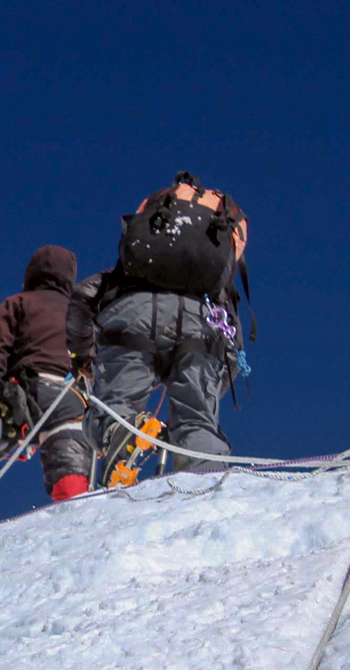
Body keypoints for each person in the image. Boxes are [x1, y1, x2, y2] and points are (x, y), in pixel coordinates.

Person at [85, 173, 249, 478]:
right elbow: (231, 338)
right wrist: (216, 380)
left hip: (132, 316)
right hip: (201, 325)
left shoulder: (132, 268)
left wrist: (82, 354)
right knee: (197, 421)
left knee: (114, 407)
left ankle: (122, 435)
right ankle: (204, 473)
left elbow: (83, 297)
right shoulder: (214, 279)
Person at [0, 246, 94, 521]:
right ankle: (79, 528)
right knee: (71, 484)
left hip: (23, 398)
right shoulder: (80, 313)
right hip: (71, 403)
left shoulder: (19, 302)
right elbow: (94, 362)